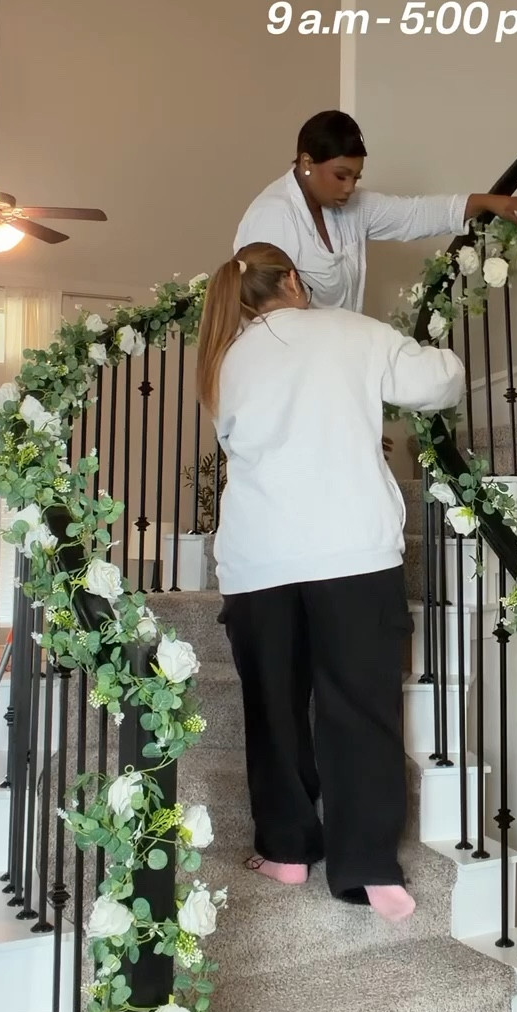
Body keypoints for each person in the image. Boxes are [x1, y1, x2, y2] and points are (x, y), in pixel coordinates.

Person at [196, 241, 465, 922]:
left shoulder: (225, 361)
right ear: (290, 278)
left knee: (274, 707)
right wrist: (439, 351)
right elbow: (438, 382)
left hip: (259, 561)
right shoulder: (351, 330)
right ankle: (369, 867)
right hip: (350, 553)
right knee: (361, 710)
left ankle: (287, 850)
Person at [232, 109, 517, 313]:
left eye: (356, 177)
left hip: (336, 368)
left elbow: (413, 215)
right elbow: (264, 317)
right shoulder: (272, 217)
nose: (350, 187)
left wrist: (488, 201)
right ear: (307, 162)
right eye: (341, 175)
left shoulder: (350, 207)